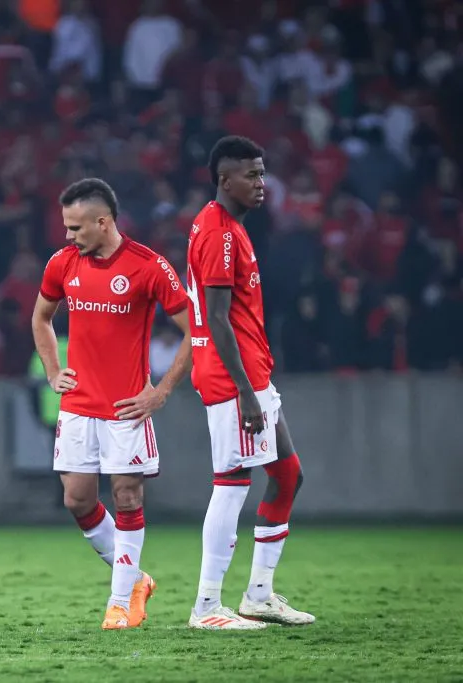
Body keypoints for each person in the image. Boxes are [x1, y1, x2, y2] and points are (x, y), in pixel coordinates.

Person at [31, 178, 192, 630]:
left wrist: (160, 391)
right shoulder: (62, 264)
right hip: (78, 406)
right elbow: (41, 318)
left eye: (76, 227)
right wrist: (51, 369)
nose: (68, 236)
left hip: (126, 408)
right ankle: (137, 580)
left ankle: (119, 602)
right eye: (66, 227)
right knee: (76, 499)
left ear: (104, 222)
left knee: (126, 494)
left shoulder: (149, 267)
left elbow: (195, 331)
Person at [184, 136, 314, 630]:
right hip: (231, 377)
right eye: (252, 175)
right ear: (225, 179)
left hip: (252, 373)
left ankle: (258, 594)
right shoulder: (218, 232)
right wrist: (242, 387)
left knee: (287, 474)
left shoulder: (228, 227)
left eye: (263, 174)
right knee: (232, 483)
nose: (262, 184)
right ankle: (207, 607)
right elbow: (217, 318)